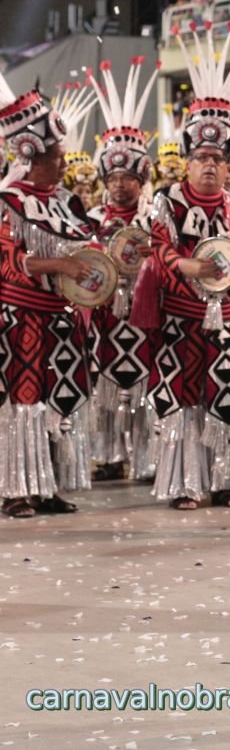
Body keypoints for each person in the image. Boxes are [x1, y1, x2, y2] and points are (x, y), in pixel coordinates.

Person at [149, 22, 230, 509]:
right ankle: (184, 484)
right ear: (186, 161)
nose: (209, 165)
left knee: (228, 396)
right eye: (201, 157)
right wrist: (188, 268)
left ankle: (224, 481)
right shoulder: (167, 201)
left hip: (227, 321)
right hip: (180, 318)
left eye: (218, 157)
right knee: (182, 398)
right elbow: (159, 252)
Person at [0, 75, 96, 518]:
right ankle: (17, 490)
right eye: (57, 157)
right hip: (21, 324)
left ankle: (48, 485)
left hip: (62, 321)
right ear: (30, 156)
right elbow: (9, 262)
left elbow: (87, 248)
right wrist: (61, 266)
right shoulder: (8, 202)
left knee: (61, 401)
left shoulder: (66, 201)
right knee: (23, 404)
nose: (64, 164)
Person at [87, 59, 157, 482]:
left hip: (145, 314)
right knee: (107, 385)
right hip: (105, 317)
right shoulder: (92, 216)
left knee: (145, 381)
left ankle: (147, 459)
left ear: (141, 177)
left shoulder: (154, 217)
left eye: (127, 176)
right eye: (112, 176)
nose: (118, 184)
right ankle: (110, 456)